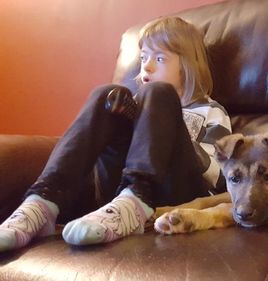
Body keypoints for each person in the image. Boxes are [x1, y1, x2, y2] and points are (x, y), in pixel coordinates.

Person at [0, 16, 231, 251]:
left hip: (176, 196)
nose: (147, 67)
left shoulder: (211, 111)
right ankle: (42, 202)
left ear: (188, 66)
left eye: (160, 58)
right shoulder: (137, 102)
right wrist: (127, 117)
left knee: (159, 93)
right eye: (143, 58)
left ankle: (137, 200)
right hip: (116, 196)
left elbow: (220, 174)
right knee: (106, 94)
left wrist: (174, 131)